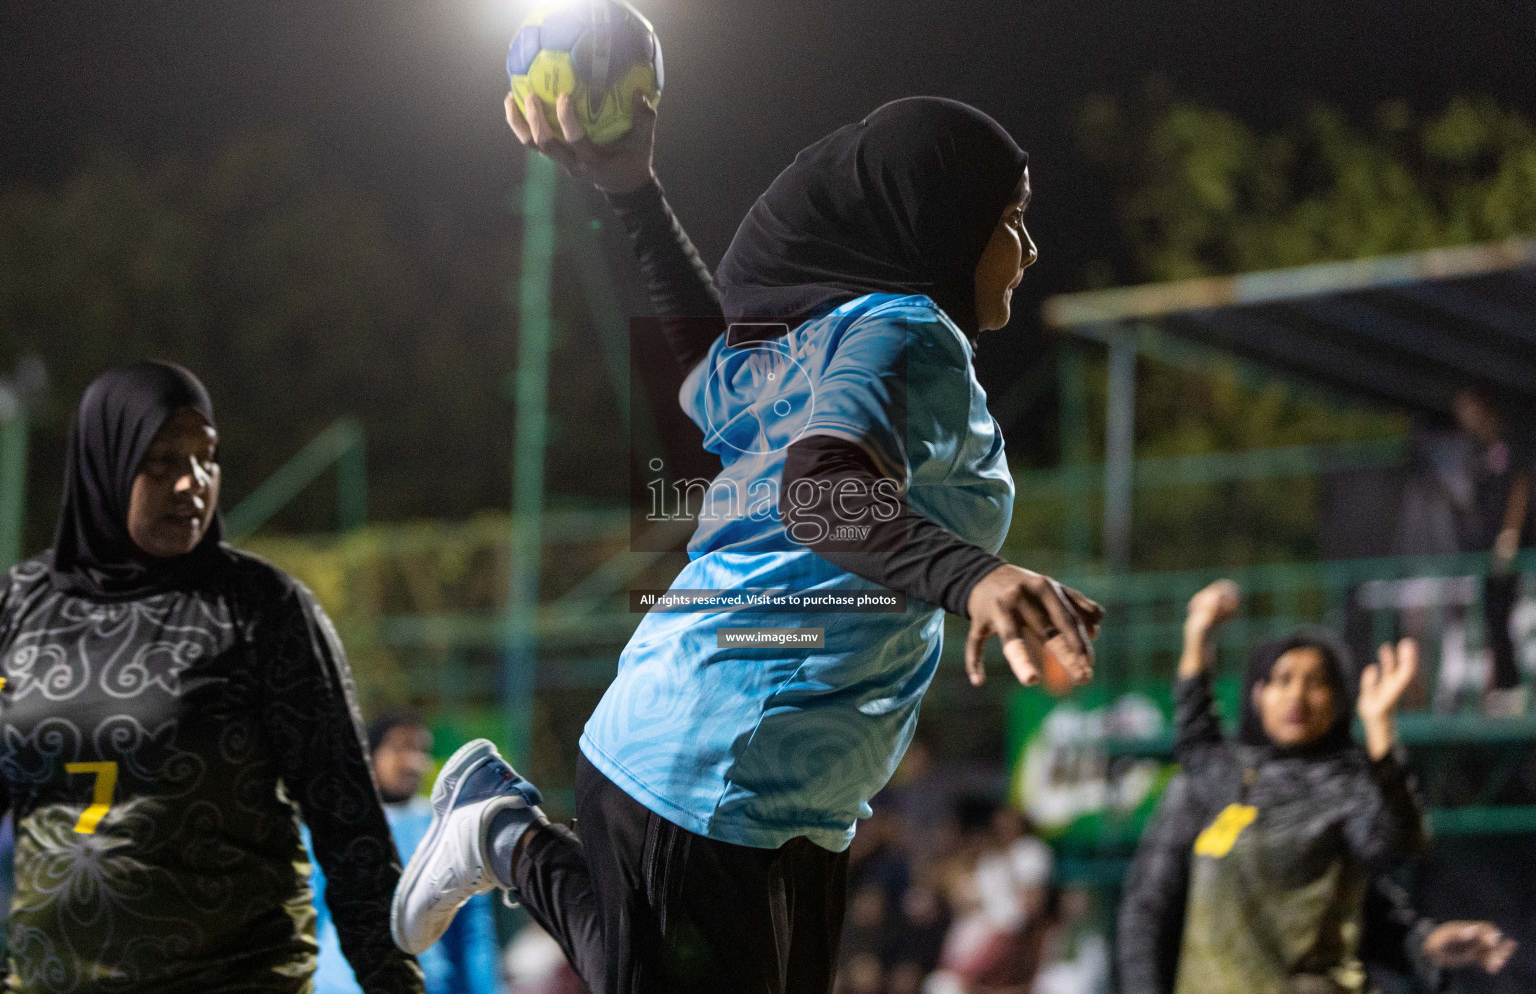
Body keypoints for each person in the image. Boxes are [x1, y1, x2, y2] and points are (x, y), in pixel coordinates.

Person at [389, 90, 1103, 994]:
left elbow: (706, 374)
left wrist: (634, 191)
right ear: (943, 225)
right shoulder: (903, 333)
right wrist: (977, 579)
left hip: (789, 791)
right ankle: (504, 833)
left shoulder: (830, 338)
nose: (1028, 249)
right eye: (1010, 221)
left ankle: (501, 831)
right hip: (711, 765)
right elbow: (820, 490)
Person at [0, 363, 422, 994]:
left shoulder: (259, 608)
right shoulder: (20, 605)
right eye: (162, 460)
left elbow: (349, 823)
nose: (192, 483)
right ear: (105, 465)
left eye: (207, 457)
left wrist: (394, 982)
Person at [1115, 579, 1509, 994]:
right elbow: (1146, 914)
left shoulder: (1350, 785)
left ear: (1339, 699)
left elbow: (1396, 846)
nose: (1297, 697)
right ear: (1258, 694)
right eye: (1282, 680)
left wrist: (1381, 738)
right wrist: (1198, 634)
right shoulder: (1216, 780)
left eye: (1316, 683)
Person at [310, 711, 502, 994]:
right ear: (369, 753)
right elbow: (308, 911)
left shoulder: (449, 829)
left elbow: (474, 931)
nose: (412, 762)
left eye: (420, 750)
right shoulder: (338, 823)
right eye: (399, 747)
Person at [1450, 387, 1531, 717]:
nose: (1464, 418)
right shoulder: (1474, 453)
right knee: (1493, 619)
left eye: (1468, 409)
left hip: (1512, 553)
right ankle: (1502, 688)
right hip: (1484, 555)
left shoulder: (1510, 446)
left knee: (1505, 616)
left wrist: (1510, 535)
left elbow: (1521, 488)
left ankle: (1511, 689)